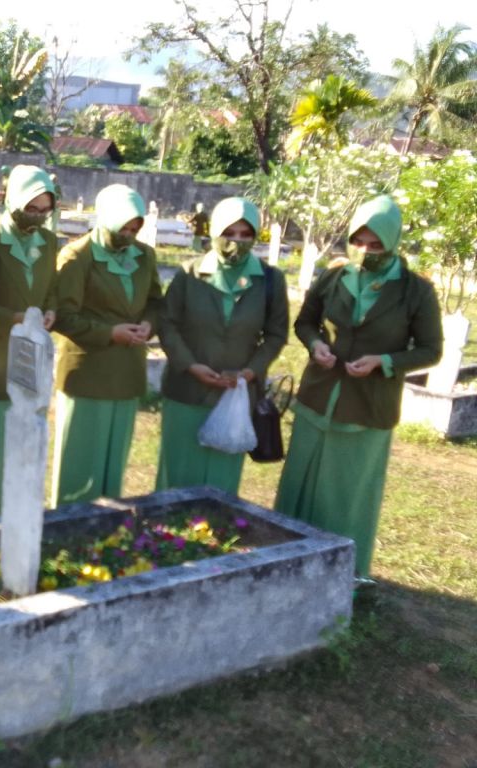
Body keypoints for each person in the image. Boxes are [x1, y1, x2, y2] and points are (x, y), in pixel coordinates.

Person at [275, 194, 443, 579]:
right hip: (317, 398)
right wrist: (316, 344)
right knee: (299, 483)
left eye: (375, 244)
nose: (365, 251)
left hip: (369, 406)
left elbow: (431, 350)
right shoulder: (334, 277)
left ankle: (339, 574)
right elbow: (305, 322)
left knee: (346, 495)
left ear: (394, 242)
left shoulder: (416, 291)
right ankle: (286, 561)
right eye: (359, 241)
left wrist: (384, 362)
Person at [156, 197, 289, 495]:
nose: (236, 241)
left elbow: (276, 335)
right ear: (215, 231)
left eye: (246, 235)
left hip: (236, 394)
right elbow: (167, 324)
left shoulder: (269, 280)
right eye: (229, 233)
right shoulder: (189, 274)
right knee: (178, 475)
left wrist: (251, 372)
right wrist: (190, 365)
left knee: (221, 482)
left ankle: (215, 537)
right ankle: (166, 537)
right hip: (187, 390)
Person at [51, 184, 163, 507]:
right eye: (123, 227)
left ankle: (105, 524)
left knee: (114, 461)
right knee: (79, 459)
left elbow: (156, 302)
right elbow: (63, 316)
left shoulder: (144, 255)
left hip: (127, 373)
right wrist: (110, 333)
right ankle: (68, 525)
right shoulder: (77, 256)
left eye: (134, 227)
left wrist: (148, 324)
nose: (128, 234)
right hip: (88, 374)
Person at [0, 164, 58, 518]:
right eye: (30, 209)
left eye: (44, 210)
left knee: (26, 434)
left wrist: (50, 311)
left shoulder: (49, 241)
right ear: (11, 202)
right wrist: (13, 318)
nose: (36, 217)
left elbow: (51, 287)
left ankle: (19, 514)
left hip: (31, 351)